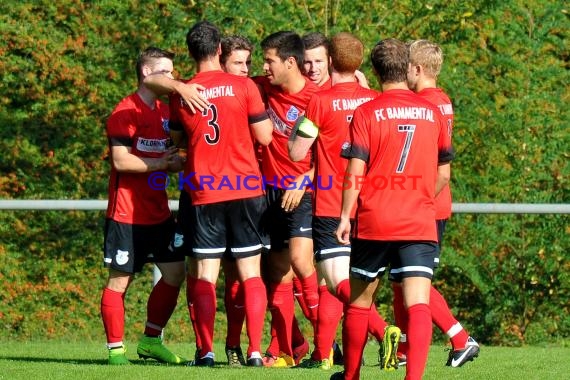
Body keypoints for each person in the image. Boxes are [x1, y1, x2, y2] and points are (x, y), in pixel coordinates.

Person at [332, 38, 454, 380]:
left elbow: (355, 171)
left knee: (359, 301)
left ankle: (352, 376)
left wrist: (344, 216)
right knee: (417, 302)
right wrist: (419, 197)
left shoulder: (366, 112)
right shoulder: (433, 112)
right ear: (408, 68)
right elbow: (444, 172)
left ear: (374, 71)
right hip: (418, 219)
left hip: (375, 218)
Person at [289, 32, 400, 371]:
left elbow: (296, 150)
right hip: (368, 203)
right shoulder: (373, 99)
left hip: (330, 205)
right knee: (348, 283)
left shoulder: (320, 102)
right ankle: (324, 355)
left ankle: (383, 332)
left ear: (332, 62)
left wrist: (300, 128)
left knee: (337, 283)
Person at [172, 20, 273, 367]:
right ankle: (256, 352)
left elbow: (178, 142)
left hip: (205, 189)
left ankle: (207, 351)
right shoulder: (243, 87)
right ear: (219, 51)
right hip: (245, 187)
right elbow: (264, 137)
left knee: (205, 275)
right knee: (251, 273)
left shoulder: (182, 93)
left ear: (191, 53)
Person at [395, 38, 479, 367]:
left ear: (416, 69)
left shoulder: (427, 105)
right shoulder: (439, 99)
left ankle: (460, 337)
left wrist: (419, 199)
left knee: (414, 279)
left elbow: (440, 166)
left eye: (406, 67)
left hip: (427, 203)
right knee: (403, 278)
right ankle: (403, 352)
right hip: (430, 201)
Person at [101, 47, 187, 365]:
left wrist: (183, 160)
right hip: (126, 214)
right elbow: (121, 161)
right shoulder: (125, 111)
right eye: (166, 71)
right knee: (119, 280)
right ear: (147, 74)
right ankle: (115, 351)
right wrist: (160, 162)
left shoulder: (166, 113)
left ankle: (151, 341)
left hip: (158, 214)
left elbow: (171, 160)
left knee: (176, 273)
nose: (173, 78)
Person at [254, 30, 321, 367]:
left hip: (304, 191)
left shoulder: (316, 99)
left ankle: (326, 344)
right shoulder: (262, 87)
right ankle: (286, 350)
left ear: (290, 63)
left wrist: (305, 179)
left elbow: (334, 158)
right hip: (268, 192)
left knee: (300, 262)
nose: (263, 67)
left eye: (269, 61)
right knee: (277, 272)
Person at [218, 34, 255, 367]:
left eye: (248, 63)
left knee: (274, 276)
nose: (244, 69)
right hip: (235, 190)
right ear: (220, 59)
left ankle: (307, 347)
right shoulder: (197, 89)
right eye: (237, 62)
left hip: (260, 193)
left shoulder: (253, 85)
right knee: (233, 276)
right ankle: (233, 348)